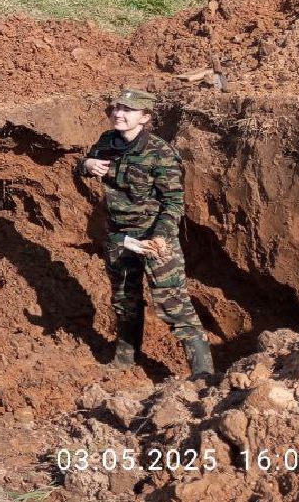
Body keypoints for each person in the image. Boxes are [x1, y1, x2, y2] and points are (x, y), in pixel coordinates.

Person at [78, 88, 214, 379]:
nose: (119, 114)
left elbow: (173, 203)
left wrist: (161, 236)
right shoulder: (107, 141)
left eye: (128, 110)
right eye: (117, 108)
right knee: (124, 300)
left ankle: (203, 374)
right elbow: (86, 165)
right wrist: (86, 165)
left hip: (154, 237)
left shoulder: (160, 153)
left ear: (145, 117)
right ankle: (124, 362)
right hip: (119, 237)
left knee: (174, 305)